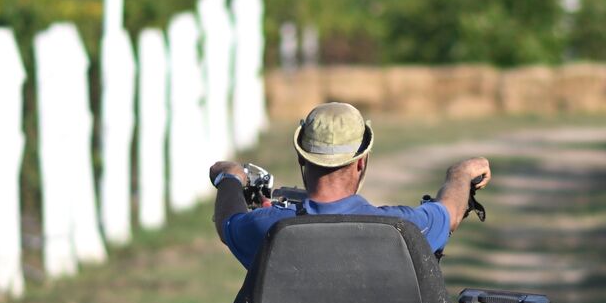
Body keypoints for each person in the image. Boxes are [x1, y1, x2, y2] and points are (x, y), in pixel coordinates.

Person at [208, 102, 491, 270]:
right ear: (360, 162)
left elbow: (227, 222)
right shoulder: (404, 228)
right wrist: (460, 173)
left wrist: (230, 177)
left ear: (301, 157)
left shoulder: (267, 227)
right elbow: (451, 212)